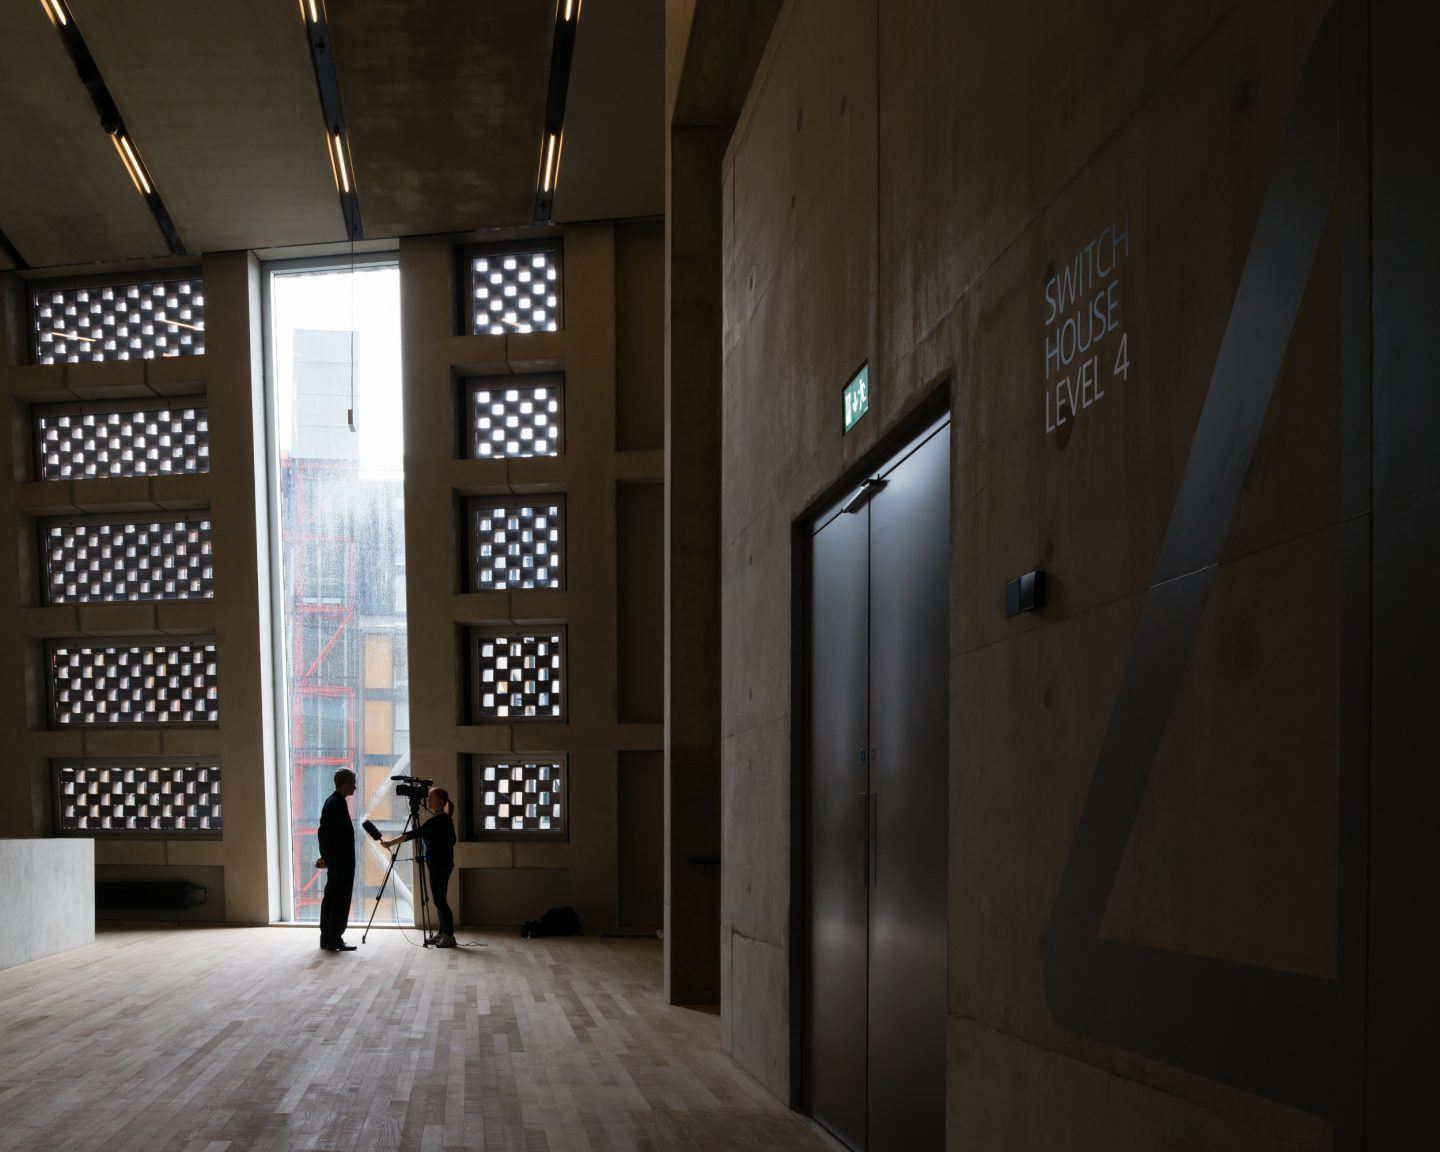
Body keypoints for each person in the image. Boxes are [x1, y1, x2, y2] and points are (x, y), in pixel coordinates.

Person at [382, 786, 457, 948]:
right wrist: (428, 854)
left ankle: (449, 935)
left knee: (440, 900)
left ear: (440, 801)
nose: (427, 801)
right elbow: (445, 842)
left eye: (431, 798)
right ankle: (443, 933)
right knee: (439, 900)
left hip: (439, 866)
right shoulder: (442, 820)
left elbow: (411, 835)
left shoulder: (440, 820)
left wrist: (389, 843)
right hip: (439, 864)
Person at [315, 768, 358, 953]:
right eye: (352, 782)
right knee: (339, 900)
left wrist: (327, 858)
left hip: (337, 862)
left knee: (332, 899)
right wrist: (329, 858)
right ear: (344, 783)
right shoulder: (336, 803)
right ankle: (333, 938)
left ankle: (329, 938)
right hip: (341, 863)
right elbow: (327, 834)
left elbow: (324, 833)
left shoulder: (334, 801)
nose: (355, 787)